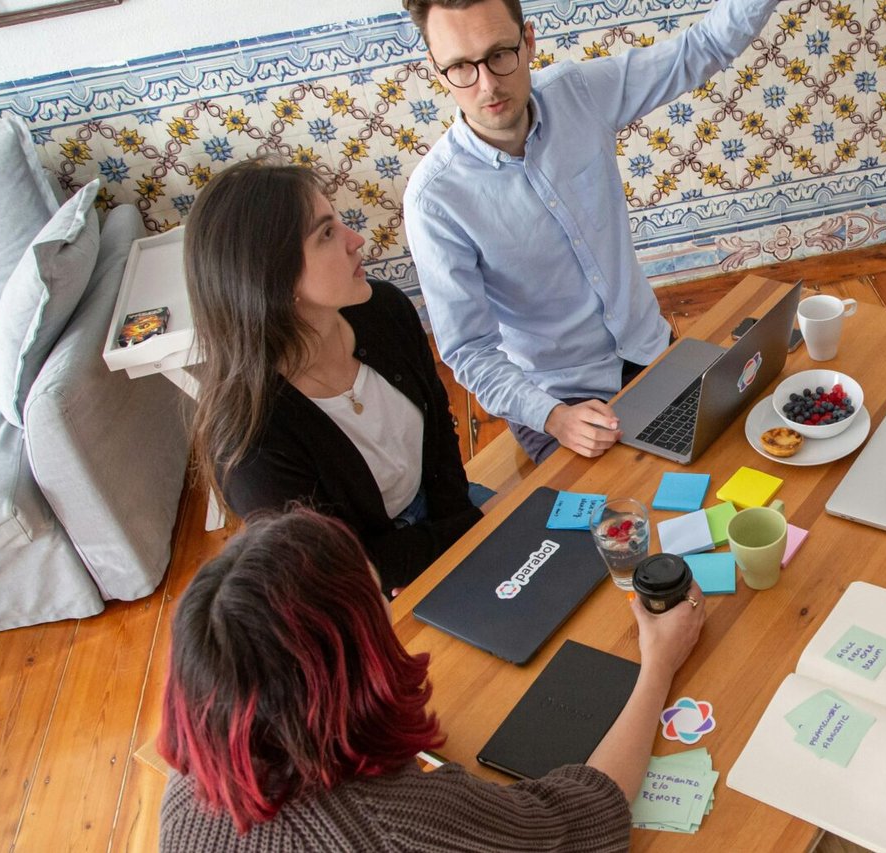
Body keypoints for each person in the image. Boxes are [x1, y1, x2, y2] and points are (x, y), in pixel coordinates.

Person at [157, 507, 706, 850]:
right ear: (355, 659)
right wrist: (658, 665)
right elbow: (585, 822)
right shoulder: (403, 821)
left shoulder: (187, 793)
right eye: (380, 602)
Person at [402, 0, 782, 464]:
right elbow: (469, 351)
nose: (487, 84)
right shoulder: (433, 201)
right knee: (623, 528)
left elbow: (698, 49)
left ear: (528, 40)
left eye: (500, 54)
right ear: (436, 69)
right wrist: (553, 417)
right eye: (461, 66)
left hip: (650, 350)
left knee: (749, 461)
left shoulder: (578, 93)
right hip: (558, 401)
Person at [185, 159, 485, 595]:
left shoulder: (383, 309)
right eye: (326, 234)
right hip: (360, 589)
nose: (355, 240)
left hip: (444, 519)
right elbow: (341, 572)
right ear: (274, 276)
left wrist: (464, 522)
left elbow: (440, 437)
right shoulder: (249, 445)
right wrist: (462, 538)